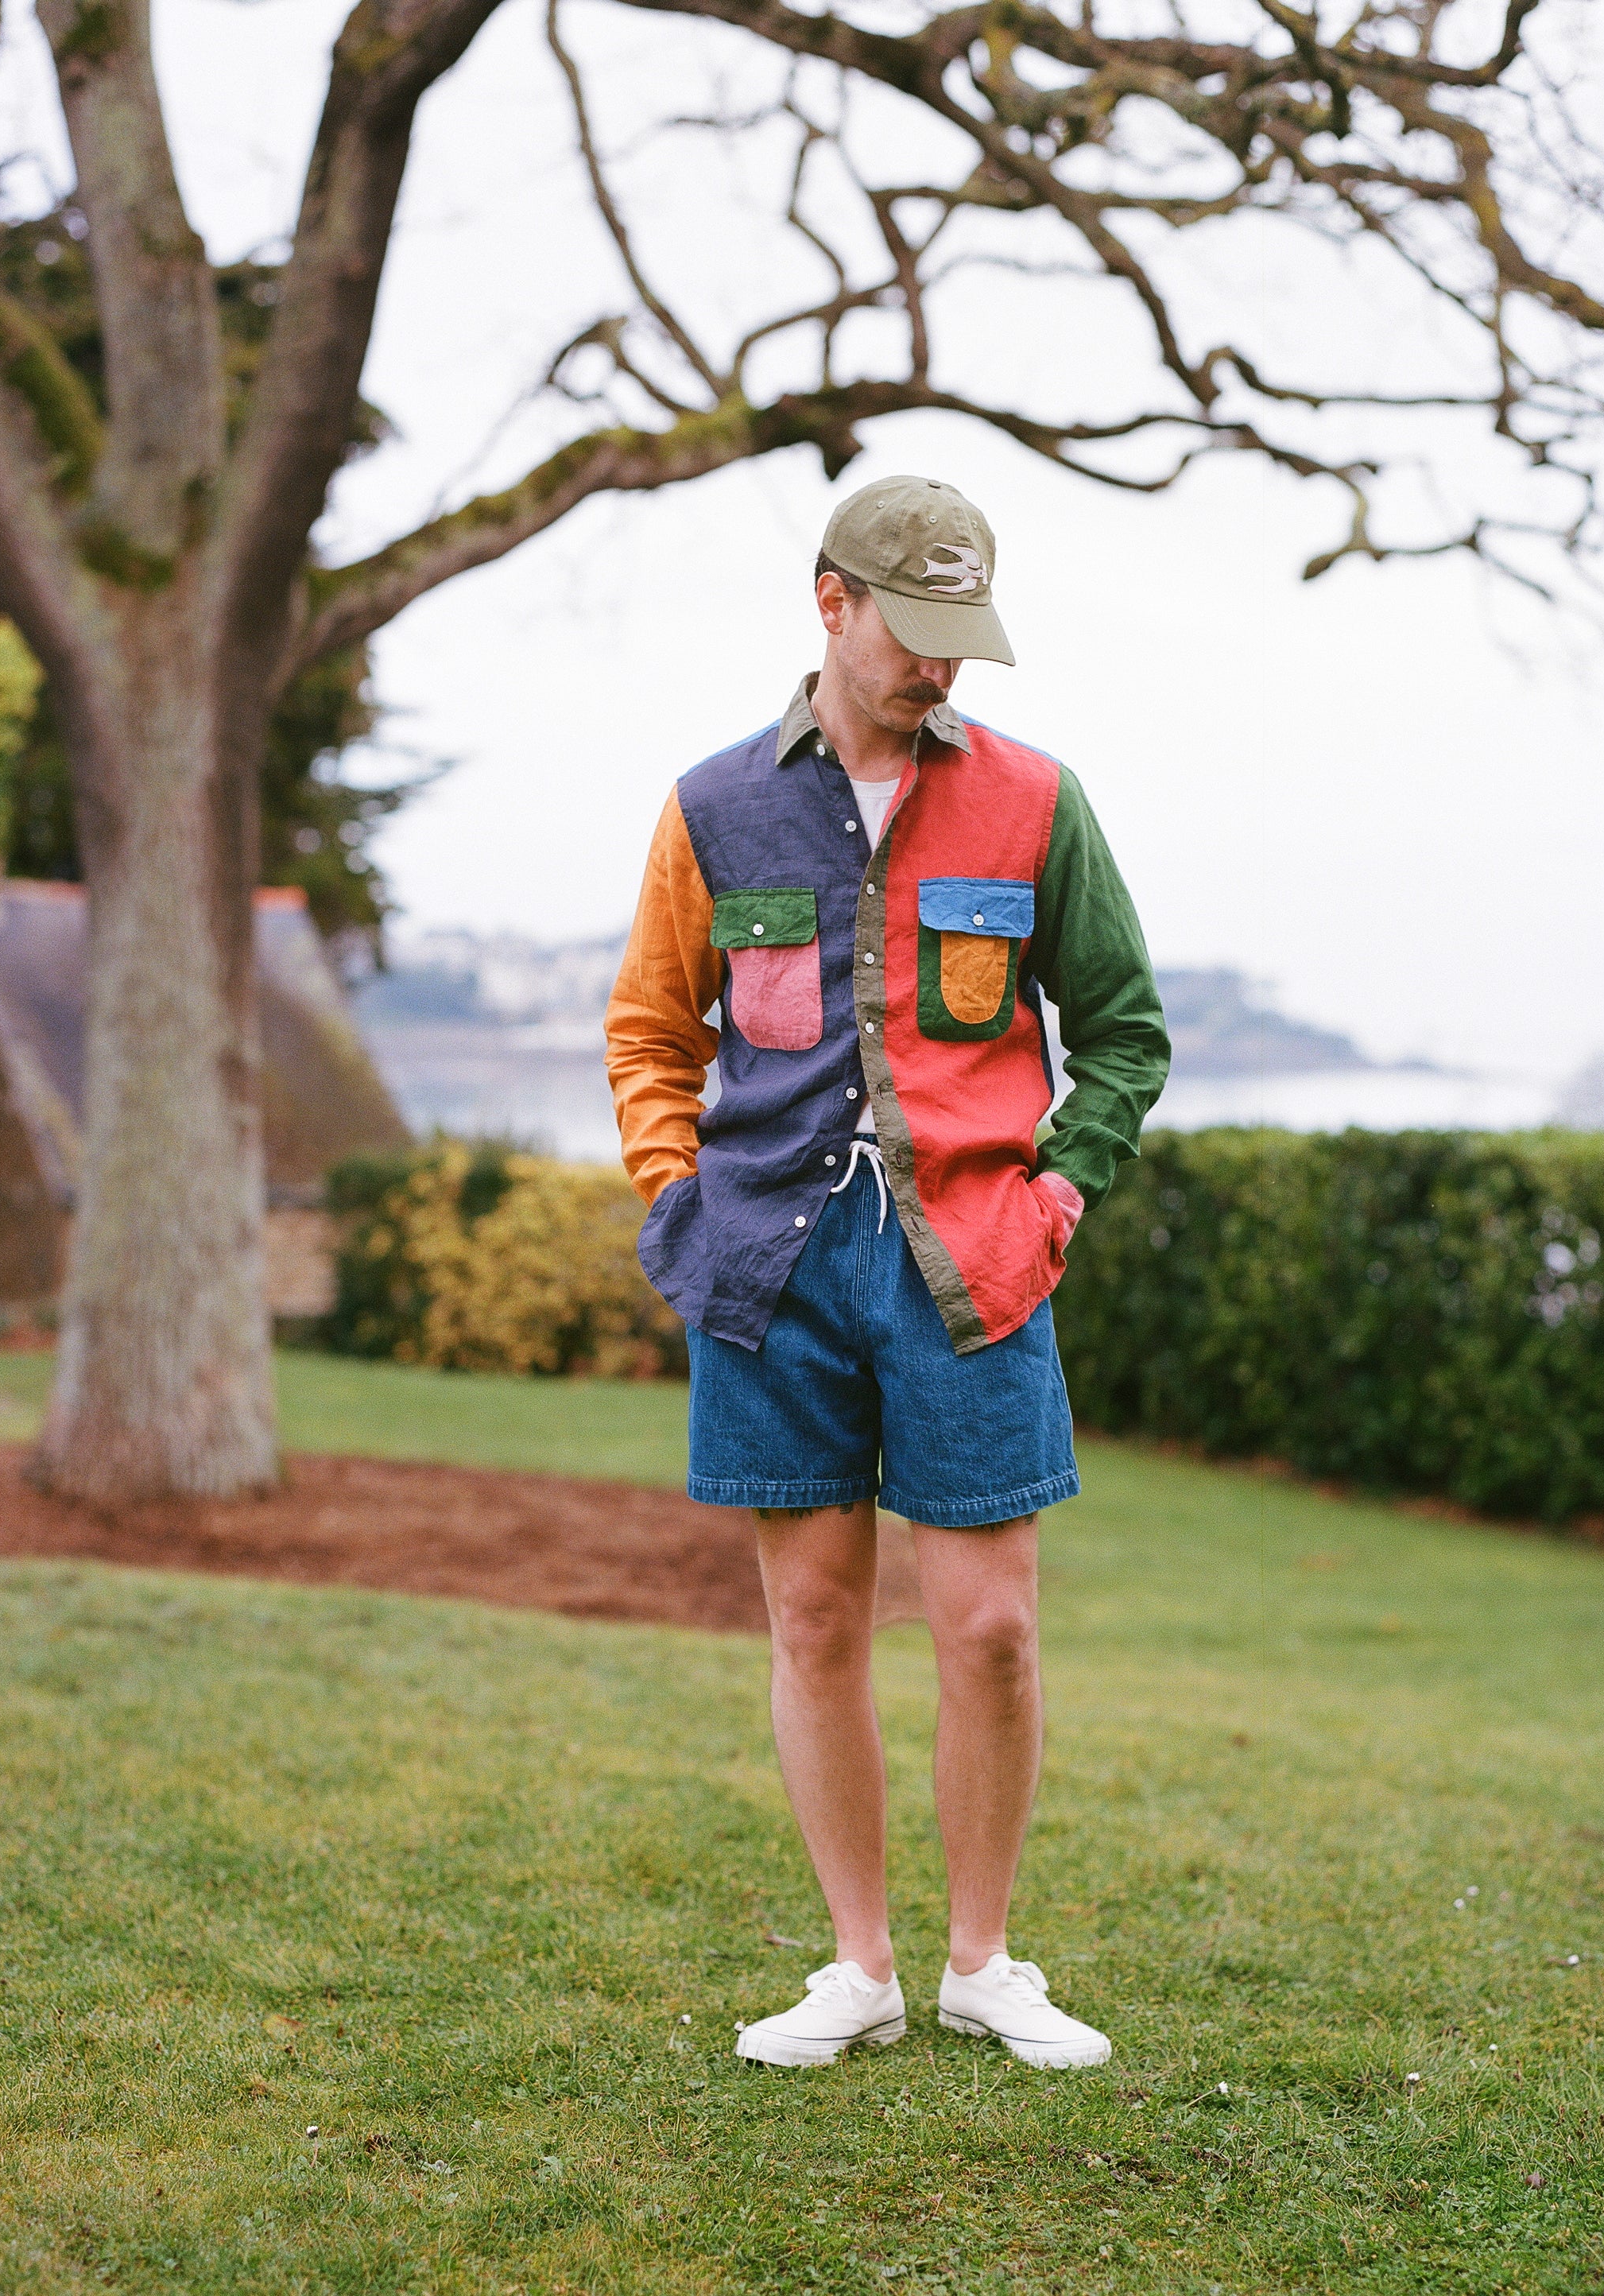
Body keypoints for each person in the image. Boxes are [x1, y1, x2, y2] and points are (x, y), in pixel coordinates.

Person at [605, 475, 1170, 2070]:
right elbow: (651, 1031)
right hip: (770, 1268)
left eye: (960, 637)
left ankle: (983, 1963)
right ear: (830, 603)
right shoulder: (711, 808)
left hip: (970, 1260)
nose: (939, 665)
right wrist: (676, 1198)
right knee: (812, 1620)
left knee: (989, 1628)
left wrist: (1059, 1192)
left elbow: (1122, 1033)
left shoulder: (1037, 802)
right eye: (913, 631)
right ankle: (857, 1968)